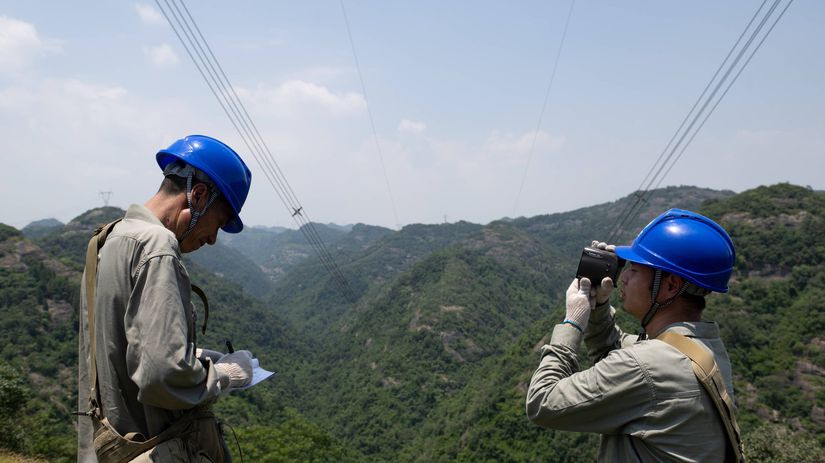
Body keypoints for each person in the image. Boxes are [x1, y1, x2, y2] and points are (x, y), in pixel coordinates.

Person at [77, 135, 255, 462]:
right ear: (198, 196)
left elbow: (121, 345)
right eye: (218, 223)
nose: (214, 239)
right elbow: (162, 376)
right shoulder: (157, 247)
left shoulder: (111, 239)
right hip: (153, 445)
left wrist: (189, 354)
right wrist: (229, 374)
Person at [526, 208, 742, 462]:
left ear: (670, 286)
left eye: (636, 269)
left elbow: (543, 401)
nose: (623, 278)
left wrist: (572, 322)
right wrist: (599, 308)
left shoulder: (647, 366)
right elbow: (618, 352)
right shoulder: (702, 347)